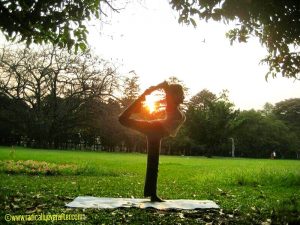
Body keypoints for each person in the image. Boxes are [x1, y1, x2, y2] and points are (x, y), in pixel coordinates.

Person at [119, 81, 185, 202]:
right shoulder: (171, 105)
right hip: (155, 128)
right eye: (180, 93)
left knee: (153, 163)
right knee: (122, 119)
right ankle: (152, 194)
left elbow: (167, 88)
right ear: (174, 95)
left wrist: (161, 87)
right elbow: (167, 91)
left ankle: (152, 194)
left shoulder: (175, 107)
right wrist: (158, 88)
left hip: (157, 130)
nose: (183, 96)